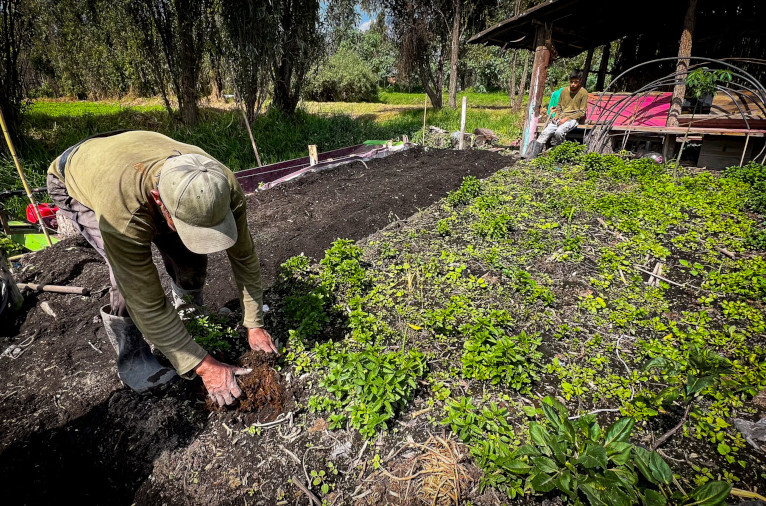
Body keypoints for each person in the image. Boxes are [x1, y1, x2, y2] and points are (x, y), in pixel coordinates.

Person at [47, 130, 277, 406]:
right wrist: (203, 365)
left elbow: (244, 257)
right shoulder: (123, 212)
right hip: (80, 175)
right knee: (125, 281)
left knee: (189, 257)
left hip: (133, 153)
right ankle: (132, 356)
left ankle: (188, 319)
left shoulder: (221, 184)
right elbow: (147, 301)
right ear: (158, 200)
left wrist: (253, 321)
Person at [528, 70, 589, 157]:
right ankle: (532, 155)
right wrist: (556, 116)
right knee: (545, 132)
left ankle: (562, 151)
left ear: (580, 81)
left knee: (559, 132)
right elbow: (559, 106)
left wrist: (566, 119)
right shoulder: (564, 91)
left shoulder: (583, 93)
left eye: (576, 82)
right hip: (560, 117)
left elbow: (582, 112)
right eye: (571, 82)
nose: (573, 84)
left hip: (572, 119)